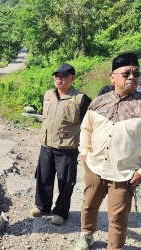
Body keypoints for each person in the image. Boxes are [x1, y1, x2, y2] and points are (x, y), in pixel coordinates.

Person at [75, 52, 141, 250]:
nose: (131, 77)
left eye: (136, 73)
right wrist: (85, 154)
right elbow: (86, 129)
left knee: (118, 217)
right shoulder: (99, 102)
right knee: (89, 205)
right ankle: (87, 235)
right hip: (94, 167)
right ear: (112, 78)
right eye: (126, 73)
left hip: (124, 173)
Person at [29, 63, 92, 225]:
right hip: (46, 145)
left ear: (72, 78)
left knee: (65, 181)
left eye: (63, 76)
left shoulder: (81, 99)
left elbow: (90, 124)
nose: (59, 78)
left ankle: (61, 212)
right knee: (43, 177)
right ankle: (42, 206)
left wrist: (87, 147)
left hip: (67, 148)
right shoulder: (48, 94)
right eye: (57, 75)